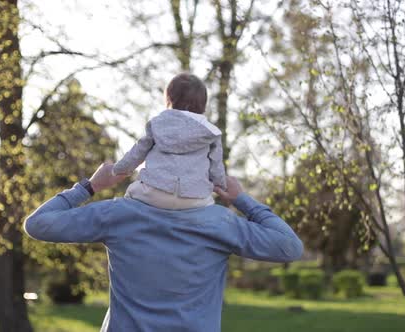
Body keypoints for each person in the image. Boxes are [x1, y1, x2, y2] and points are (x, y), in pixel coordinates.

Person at [24, 162, 304, 332]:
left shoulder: (119, 215)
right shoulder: (219, 223)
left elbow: (39, 224)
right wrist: (241, 199)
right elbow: (289, 246)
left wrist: (90, 186)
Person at [112, 73, 227, 210]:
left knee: (130, 195)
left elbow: (138, 152)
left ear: (169, 99)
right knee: (208, 204)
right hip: (195, 198)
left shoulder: (157, 124)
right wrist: (220, 184)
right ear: (203, 104)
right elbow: (216, 166)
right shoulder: (211, 132)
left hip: (153, 192)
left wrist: (119, 169)